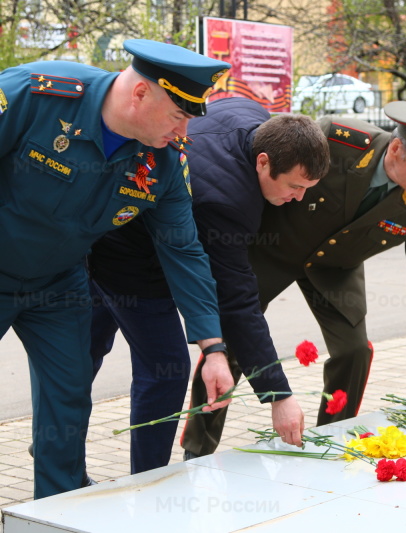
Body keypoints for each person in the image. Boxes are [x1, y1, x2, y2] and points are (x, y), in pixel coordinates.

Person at [180, 101, 406, 457]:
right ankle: (198, 448)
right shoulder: (337, 140)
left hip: (335, 268)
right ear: (398, 148)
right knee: (232, 340)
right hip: (273, 248)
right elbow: (275, 163)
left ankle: (329, 439)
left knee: (354, 351)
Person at [0, 39, 235, 499]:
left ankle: (55, 513)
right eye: (178, 115)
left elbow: (183, 250)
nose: (184, 130)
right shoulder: (37, 94)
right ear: (141, 94)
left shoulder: (164, 160)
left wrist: (214, 346)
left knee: (67, 401)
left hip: (58, 285)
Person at [87, 96, 330, 472]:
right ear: (263, 162)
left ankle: (58, 446)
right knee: (164, 369)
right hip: (134, 259)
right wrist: (278, 395)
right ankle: (147, 482)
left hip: (104, 230)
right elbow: (236, 301)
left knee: (83, 352)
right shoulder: (228, 201)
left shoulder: (253, 118)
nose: (299, 198)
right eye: (295, 187)